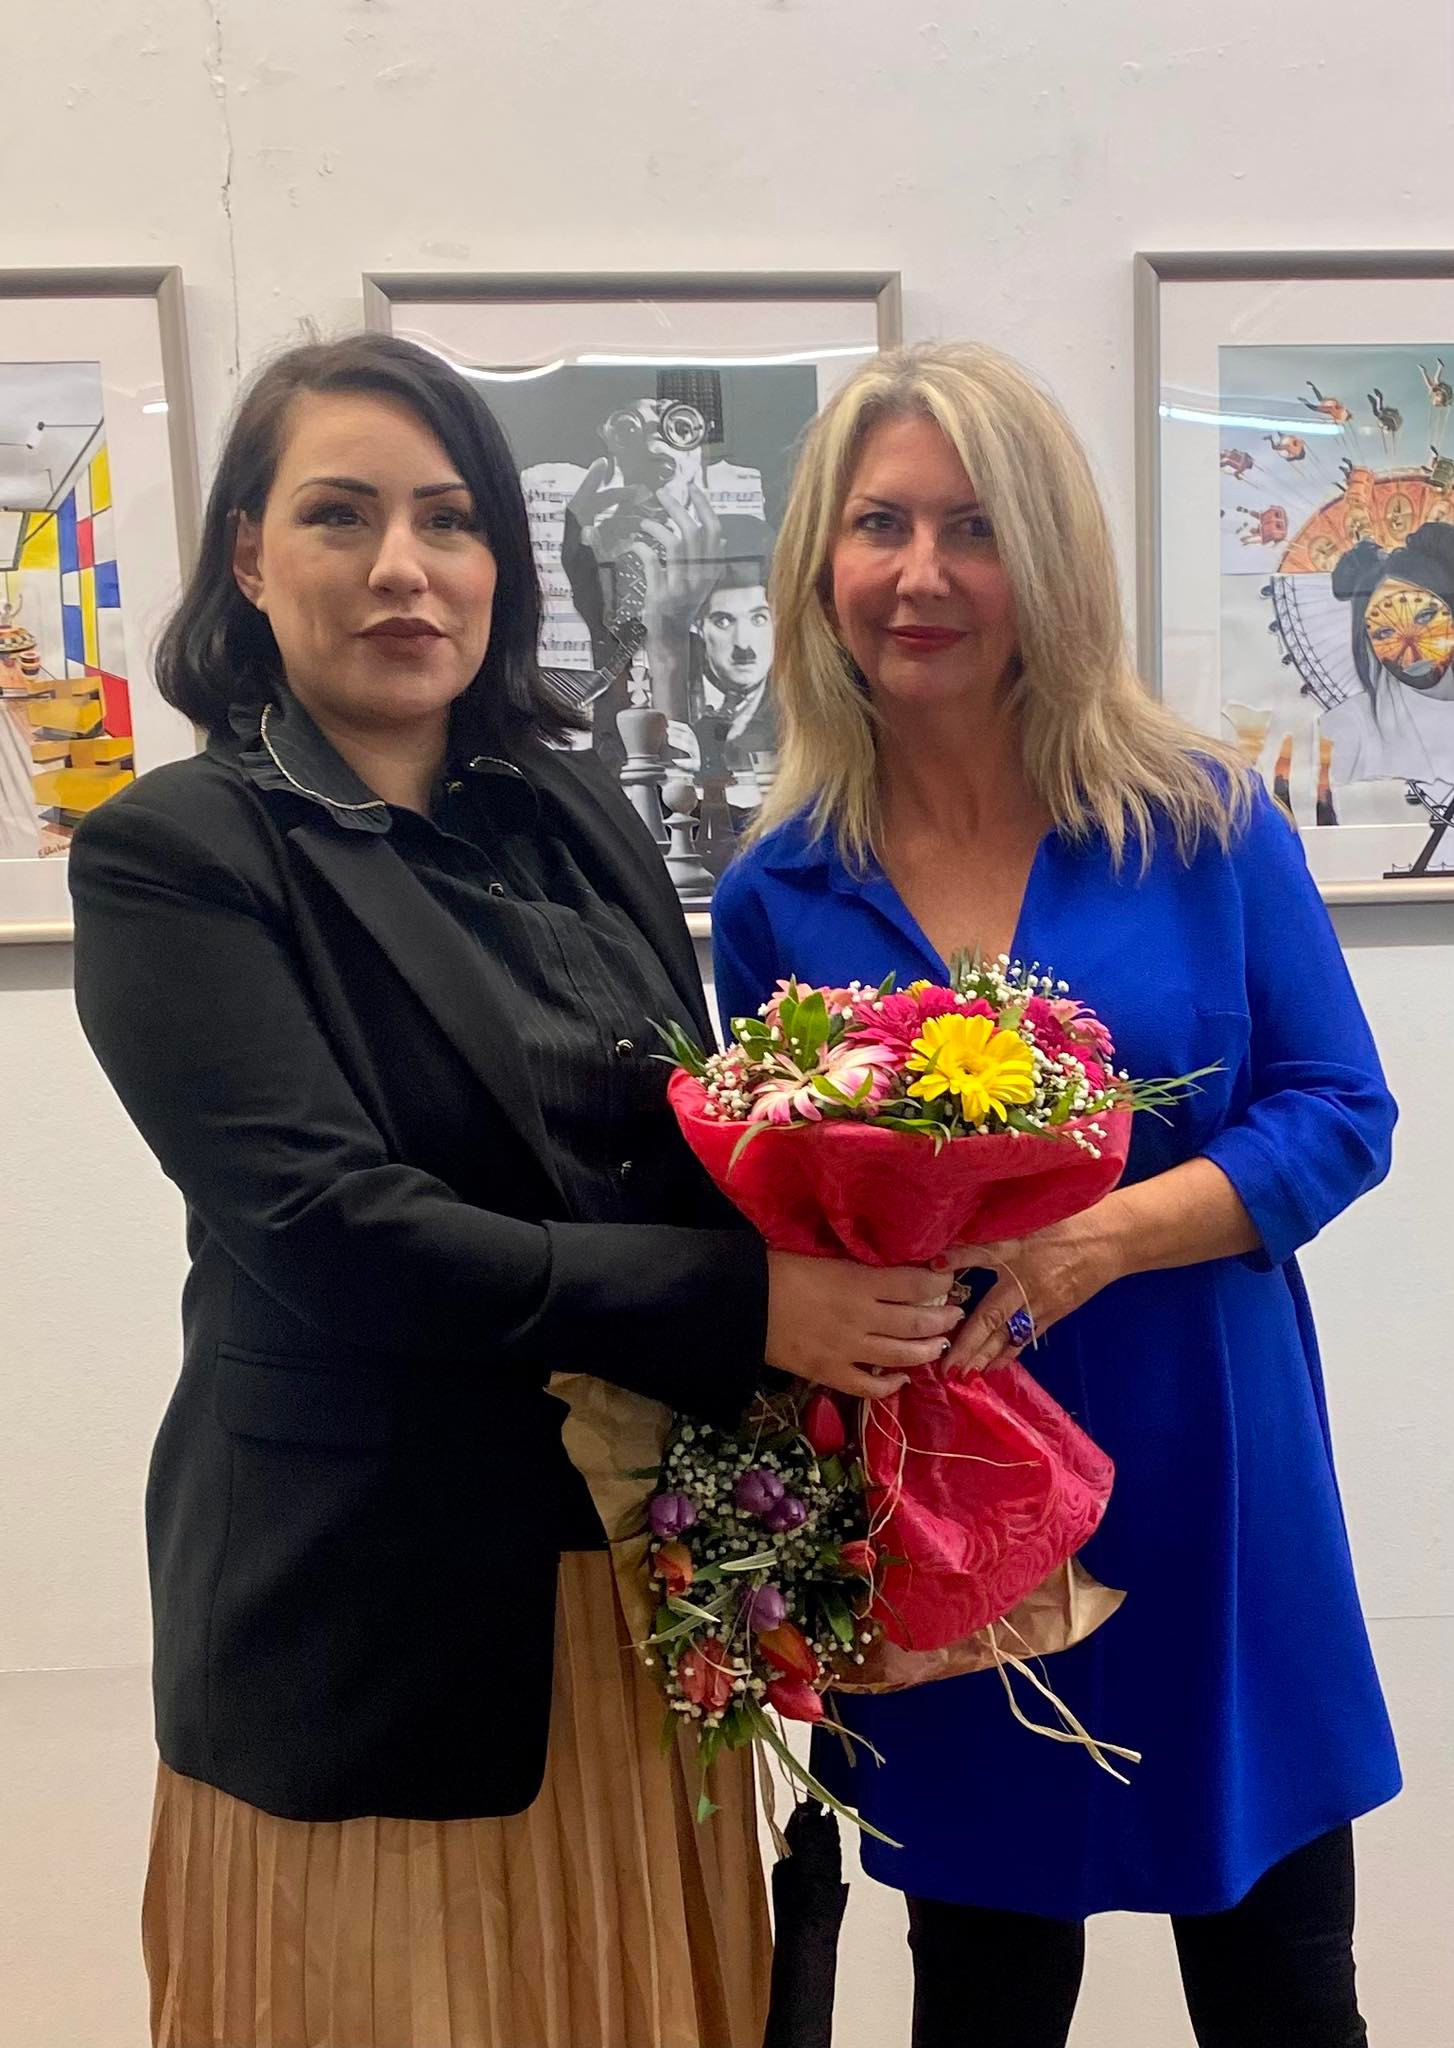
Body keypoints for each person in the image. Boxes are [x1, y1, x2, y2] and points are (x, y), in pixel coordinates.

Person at [66, 333, 967, 2048]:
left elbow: (686, 1138)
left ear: (501, 560)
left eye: (448, 519)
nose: (402, 568)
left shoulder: (569, 810)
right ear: (248, 555)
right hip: (377, 1616)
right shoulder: (179, 852)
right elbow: (331, 1233)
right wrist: (758, 1305)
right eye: (339, 515)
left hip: (636, 1585)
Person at [711, 341, 1400, 2048]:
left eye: (974, 528)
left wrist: (1092, 1241)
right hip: (946, 1505)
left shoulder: (1198, 821)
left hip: (1205, 1458)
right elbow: (777, 1210)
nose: (921, 574)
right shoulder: (780, 887)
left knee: (1281, 1986)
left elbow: (1339, 1113)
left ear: (1049, 560)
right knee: (981, 1987)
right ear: (819, 562)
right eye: (879, 524)